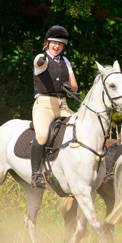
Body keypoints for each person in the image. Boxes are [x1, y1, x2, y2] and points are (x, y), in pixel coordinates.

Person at [31, 25, 78, 188]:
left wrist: (69, 87)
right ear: (47, 43)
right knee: (42, 135)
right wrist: (41, 62)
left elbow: (75, 85)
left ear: (63, 46)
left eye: (60, 44)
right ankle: (35, 174)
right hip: (44, 105)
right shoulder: (41, 57)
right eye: (53, 43)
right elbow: (39, 65)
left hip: (62, 104)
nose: (56, 46)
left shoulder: (65, 61)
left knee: (80, 128)